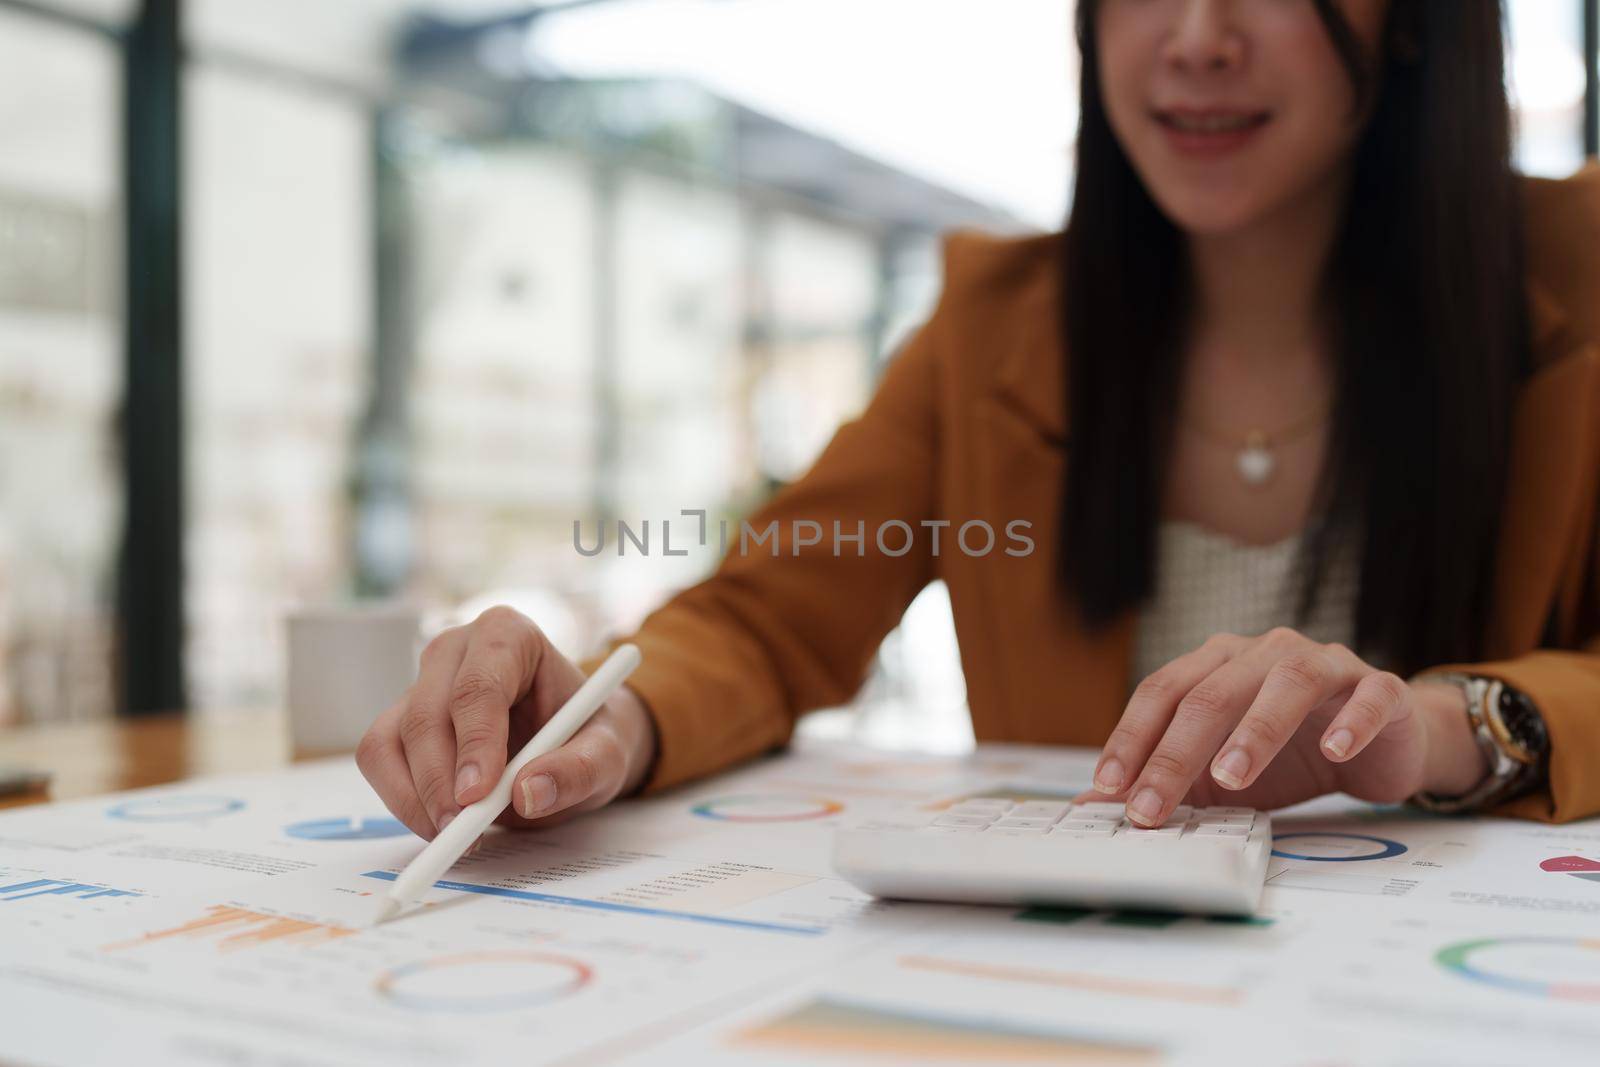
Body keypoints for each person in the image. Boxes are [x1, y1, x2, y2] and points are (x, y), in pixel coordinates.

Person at [357, 0, 1600, 841]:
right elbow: (766, 619)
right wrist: (601, 721)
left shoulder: (1581, 277)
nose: (1195, 38)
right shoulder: (995, 324)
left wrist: (1442, 727)